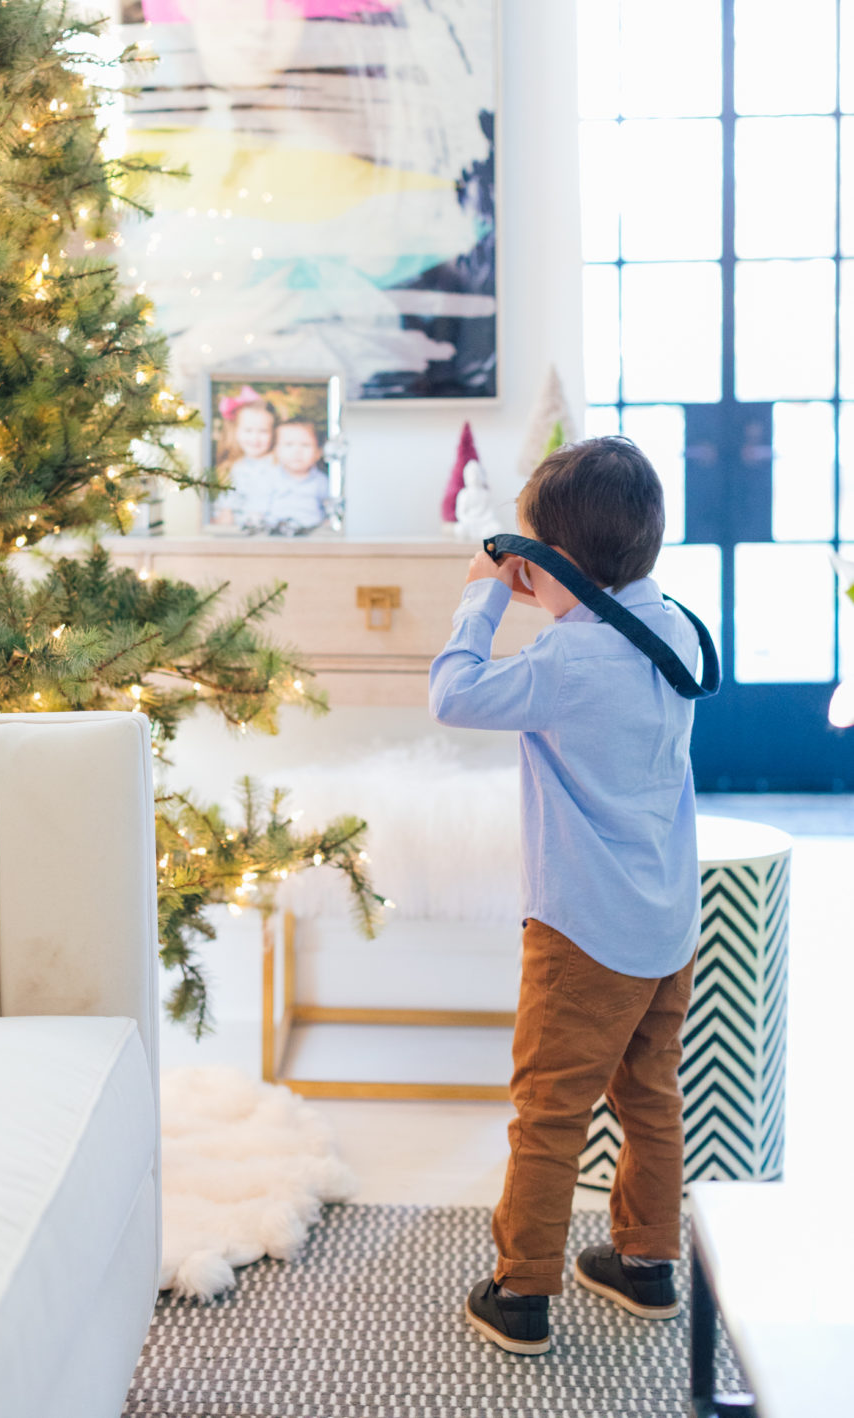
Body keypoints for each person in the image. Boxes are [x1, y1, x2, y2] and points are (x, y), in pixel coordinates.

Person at [429, 435, 700, 1357]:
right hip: (667, 923)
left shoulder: (567, 664)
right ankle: (648, 1263)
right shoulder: (674, 628)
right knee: (650, 1098)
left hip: (582, 929)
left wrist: (479, 594)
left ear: (561, 564)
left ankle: (521, 1292)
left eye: (535, 551)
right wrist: (553, 584)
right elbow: (601, 616)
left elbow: (453, 695)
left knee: (549, 1113)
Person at [212, 388, 277, 526]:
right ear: (236, 431)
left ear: (273, 433)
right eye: (248, 430)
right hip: (240, 534)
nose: (255, 438)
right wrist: (225, 513)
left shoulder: (277, 464)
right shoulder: (233, 467)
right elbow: (226, 503)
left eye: (263, 431)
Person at [264, 417, 329, 531]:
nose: (297, 451)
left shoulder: (321, 482)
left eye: (305, 445)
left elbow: (329, 513)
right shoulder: (269, 478)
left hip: (311, 538)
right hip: (274, 538)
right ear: (276, 450)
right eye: (289, 444)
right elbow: (258, 510)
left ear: (318, 452)